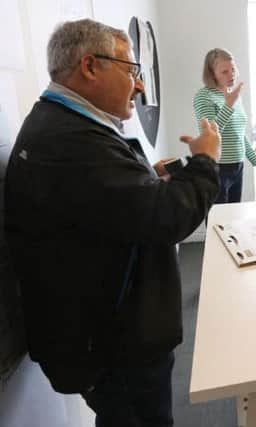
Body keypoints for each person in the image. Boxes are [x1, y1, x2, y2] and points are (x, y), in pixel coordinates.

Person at [4, 19, 221, 426]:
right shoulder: (70, 141)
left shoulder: (64, 126)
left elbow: (107, 204)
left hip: (105, 337)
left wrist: (145, 179)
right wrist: (207, 161)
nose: (139, 87)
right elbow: (166, 218)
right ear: (90, 66)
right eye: (131, 72)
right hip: (114, 347)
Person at [194, 48, 256, 204]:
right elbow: (209, 134)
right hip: (218, 168)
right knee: (218, 222)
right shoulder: (204, 96)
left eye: (233, 69)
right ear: (212, 74)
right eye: (224, 71)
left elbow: (239, 134)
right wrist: (228, 105)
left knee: (234, 218)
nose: (231, 74)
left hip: (237, 166)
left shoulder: (232, 96)